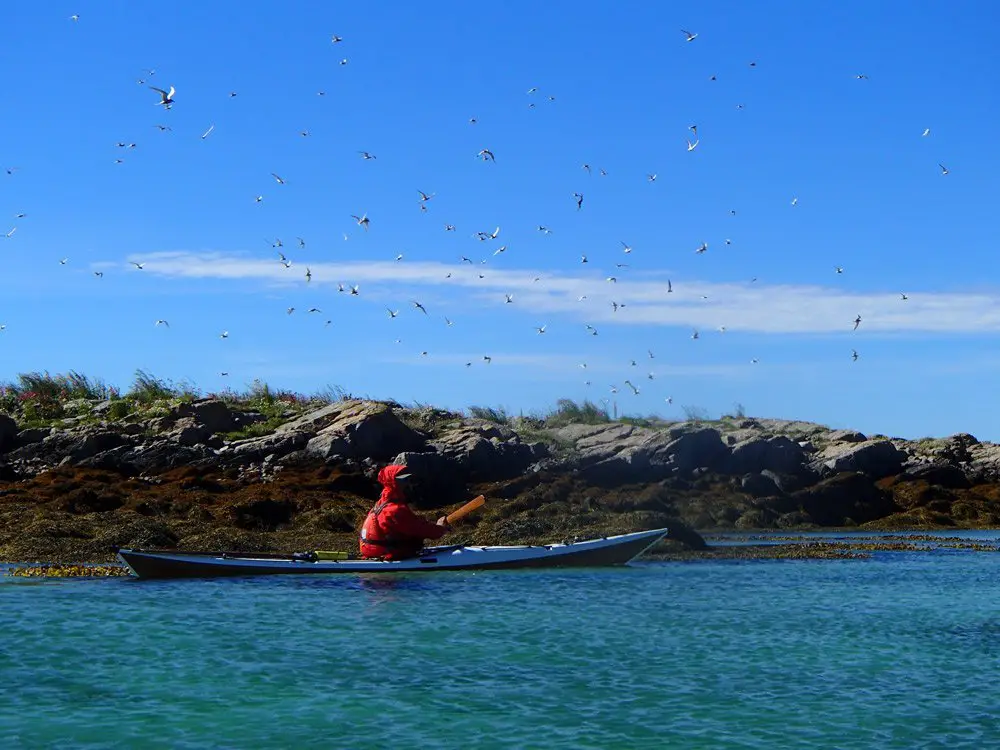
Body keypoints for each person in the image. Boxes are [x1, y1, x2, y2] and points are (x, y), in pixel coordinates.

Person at [359, 464, 450, 560]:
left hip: (376, 552)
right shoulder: (395, 510)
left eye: (408, 479)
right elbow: (419, 529)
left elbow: (412, 524)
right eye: (404, 480)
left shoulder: (380, 504)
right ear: (393, 483)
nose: (408, 484)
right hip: (390, 554)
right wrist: (440, 528)